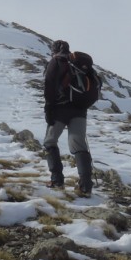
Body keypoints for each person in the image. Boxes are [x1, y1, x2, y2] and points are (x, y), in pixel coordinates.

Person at [43, 40, 95, 196]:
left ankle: (57, 179)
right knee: (79, 145)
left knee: (50, 141)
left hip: (60, 109)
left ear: (53, 50)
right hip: (80, 110)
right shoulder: (79, 65)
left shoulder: (56, 61)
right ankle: (85, 186)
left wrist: (48, 108)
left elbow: (49, 85)